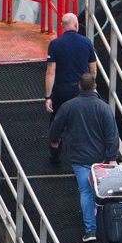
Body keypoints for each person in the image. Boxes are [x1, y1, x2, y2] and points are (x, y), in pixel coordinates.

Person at [49, 73, 118, 243]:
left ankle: (91, 230)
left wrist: (55, 141)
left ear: (79, 86)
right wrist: (112, 158)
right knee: (103, 193)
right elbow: (112, 135)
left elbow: (55, 126)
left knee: (86, 192)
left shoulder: (68, 106)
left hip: (79, 158)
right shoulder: (103, 107)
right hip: (100, 158)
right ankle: (108, 228)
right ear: (94, 86)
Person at [45, 13, 98, 165]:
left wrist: (48, 96)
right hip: (80, 90)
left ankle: (55, 156)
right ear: (76, 25)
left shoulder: (55, 44)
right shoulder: (86, 42)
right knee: (81, 122)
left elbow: (50, 71)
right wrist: (91, 86)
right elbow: (93, 70)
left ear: (62, 26)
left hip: (61, 90)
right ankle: (82, 158)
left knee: (57, 121)